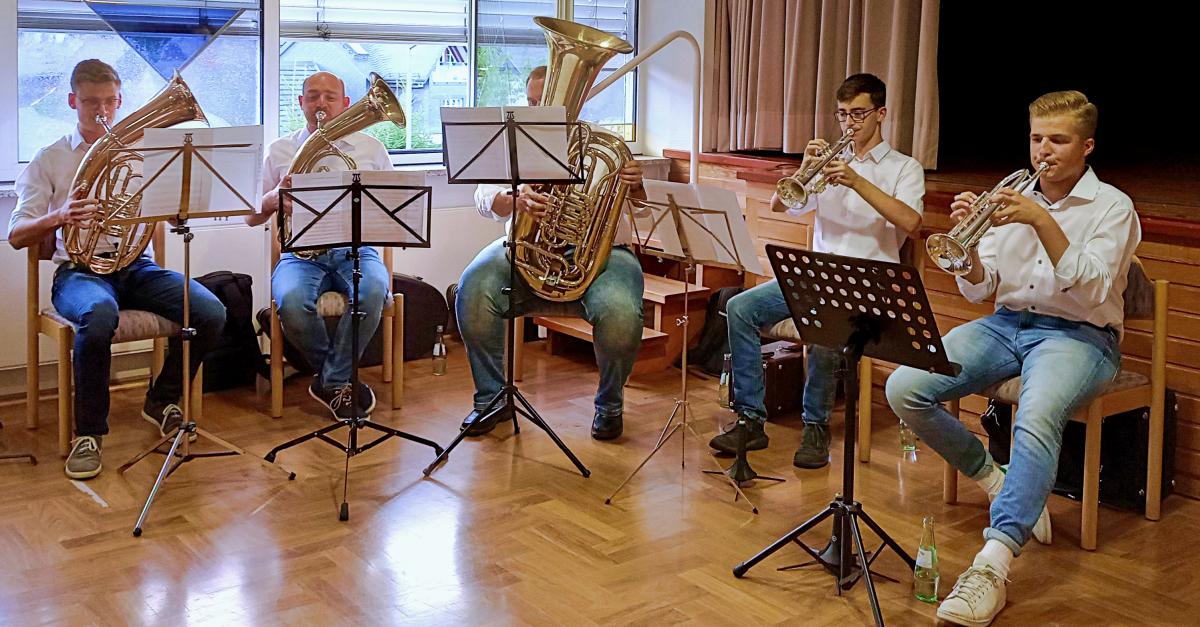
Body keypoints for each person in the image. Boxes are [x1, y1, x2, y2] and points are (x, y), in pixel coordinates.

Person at [885, 90, 1139, 626]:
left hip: (1080, 336)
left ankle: (994, 562)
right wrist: (972, 251)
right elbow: (982, 290)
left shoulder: (1112, 207)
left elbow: (1093, 290)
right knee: (905, 386)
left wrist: (1042, 221)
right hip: (1007, 323)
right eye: (1036, 137)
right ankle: (992, 476)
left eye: (1058, 139)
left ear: (1087, 146)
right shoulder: (1013, 193)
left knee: (1037, 413)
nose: (1043, 149)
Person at [8, 59, 227, 480]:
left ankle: (161, 399)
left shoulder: (145, 155)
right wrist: (60, 216)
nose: (102, 111)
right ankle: (88, 435)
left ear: (121, 100)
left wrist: (179, 213)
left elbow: (163, 210)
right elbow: (17, 234)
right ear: (73, 101)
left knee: (211, 311)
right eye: (91, 102)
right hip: (80, 271)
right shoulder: (50, 157)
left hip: (137, 267)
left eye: (110, 102)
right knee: (99, 315)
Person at [710, 73, 924, 469]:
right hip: (816, 276)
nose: (849, 124)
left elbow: (911, 222)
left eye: (858, 114)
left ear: (882, 114)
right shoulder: (830, 165)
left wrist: (858, 182)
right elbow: (779, 204)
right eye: (842, 114)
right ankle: (752, 419)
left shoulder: (903, 168)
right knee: (740, 307)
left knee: (826, 331)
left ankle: (815, 427)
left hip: (869, 286)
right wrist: (806, 168)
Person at [456, 65, 647, 440]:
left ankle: (609, 406)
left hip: (602, 255)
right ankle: (491, 400)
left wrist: (638, 190)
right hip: (524, 248)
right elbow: (482, 197)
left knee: (621, 313)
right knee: (473, 291)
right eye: (532, 101)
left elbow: (644, 212)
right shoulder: (511, 140)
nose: (537, 109)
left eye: (546, 102)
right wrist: (514, 198)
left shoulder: (607, 146)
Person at [247, 71, 392, 420]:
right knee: (293, 302)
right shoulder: (280, 149)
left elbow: (391, 206)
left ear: (345, 104)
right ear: (301, 104)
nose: (321, 103)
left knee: (373, 290)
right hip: (300, 253)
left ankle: (330, 380)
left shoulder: (371, 149)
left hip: (356, 249)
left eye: (330, 97)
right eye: (313, 96)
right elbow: (252, 216)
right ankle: (338, 381)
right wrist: (273, 197)